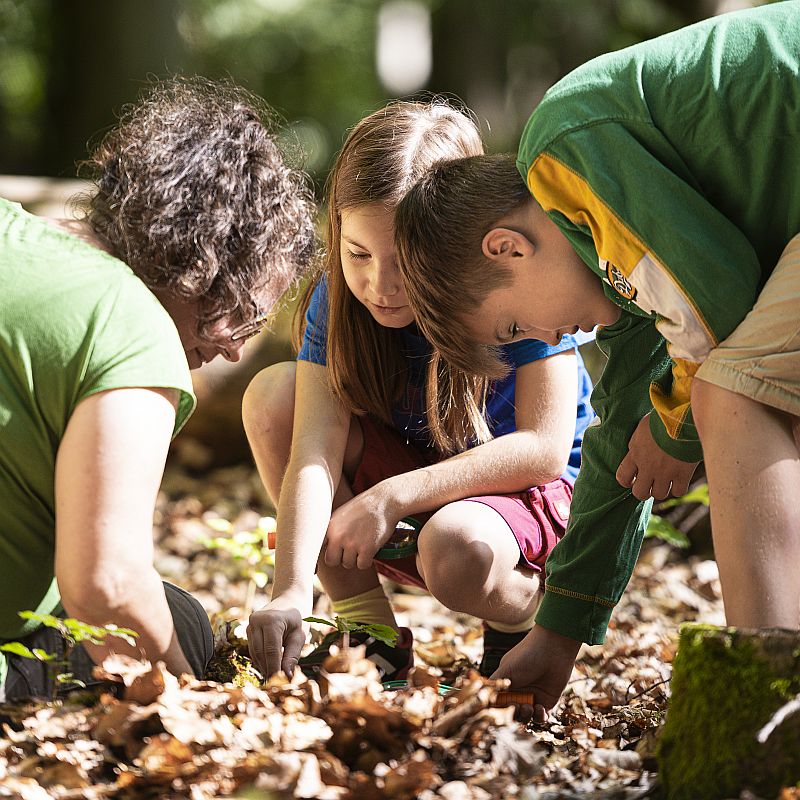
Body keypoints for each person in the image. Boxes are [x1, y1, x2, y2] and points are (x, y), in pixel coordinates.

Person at [393, 1, 800, 717]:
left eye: (517, 322)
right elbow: (620, 445)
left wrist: (676, 428)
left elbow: (721, 308)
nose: (549, 338)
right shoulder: (620, 265)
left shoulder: (564, 153)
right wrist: (559, 632)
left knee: (730, 394)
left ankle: (766, 714)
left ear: (507, 248)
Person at [243, 100, 594, 683]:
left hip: (519, 499)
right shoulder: (335, 302)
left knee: (456, 547)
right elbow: (313, 452)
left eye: (404, 261)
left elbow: (543, 450)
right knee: (271, 396)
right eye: (358, 254)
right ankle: (370, 635)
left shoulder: (518, 288)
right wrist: (291, 588)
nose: (379, 285)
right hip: (419, 482)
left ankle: (520, 620)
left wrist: (391, 498)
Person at [0, 77, 316, 701]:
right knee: (185, 627)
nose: (235, 350)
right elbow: (107, 585)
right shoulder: (131, 324)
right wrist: (187, 700)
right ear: (209, 259)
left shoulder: (14, 228)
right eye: (247, 316)